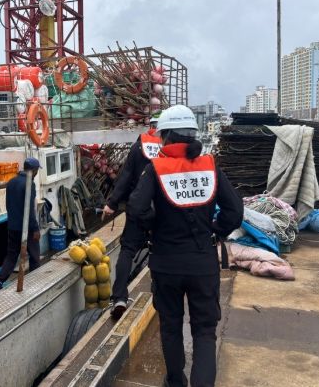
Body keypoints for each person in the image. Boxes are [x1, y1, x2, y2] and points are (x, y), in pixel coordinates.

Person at [126, 105, 243, 387]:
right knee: (204, 332)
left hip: (166, 263)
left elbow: (136, 208)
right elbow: (235, 211)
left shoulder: (156, 169)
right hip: (203, 262)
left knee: (171, 327)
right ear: (193, 134)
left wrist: (154, 226)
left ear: (166, 136)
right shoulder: (210, 166)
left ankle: (175, 381)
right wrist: (215, 230)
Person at [103, 114, 163, 320]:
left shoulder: (139, 147)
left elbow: (126, 177)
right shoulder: (169, 148)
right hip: (163, 211)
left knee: (127, 250)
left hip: (138, 208)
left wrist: (112, 203)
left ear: (150, 127)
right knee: (161, 250)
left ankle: (119, 298)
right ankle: (160, 293)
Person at [0, 157, 42, 293]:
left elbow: (8, 205)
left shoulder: (11, 182)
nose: (37, 173)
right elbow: (30, 210)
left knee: (11, 255)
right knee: (34, 256)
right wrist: (35, 229)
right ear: (34, 170)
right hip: (27, 228)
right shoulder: (30, 184)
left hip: (12, 226)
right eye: (37, 170)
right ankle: (34, 285)